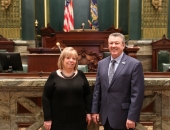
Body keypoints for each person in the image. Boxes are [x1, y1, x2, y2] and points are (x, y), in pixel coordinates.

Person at [91, 33, 144, 130]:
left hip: (124, 117)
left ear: (123, 45)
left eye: (117, 43)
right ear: (108, 45)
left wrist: (132, 117)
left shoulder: (134, 64)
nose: (113, 46)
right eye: (111, 43)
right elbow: (97, 90)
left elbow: (137, 94)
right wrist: (95, 111)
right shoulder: (102, 64)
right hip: (106, 116)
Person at [42, 47, 92, 130]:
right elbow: (46, 97)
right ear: (62, 59)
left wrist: (89, 112)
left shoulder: (81, 74)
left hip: (79, 120)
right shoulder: (53, 76)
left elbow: (88, 94)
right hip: (59, 121)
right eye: (68, 58)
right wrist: (47, 118)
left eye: (74, 58)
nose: (71, 60)